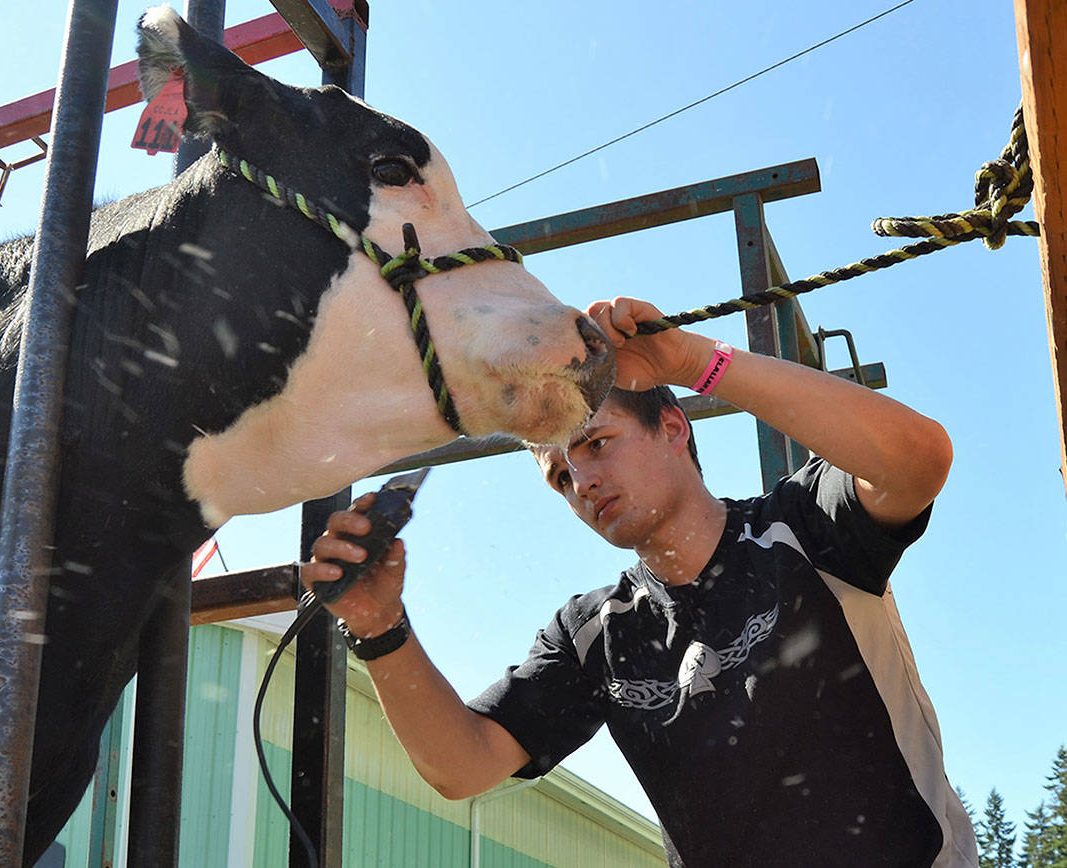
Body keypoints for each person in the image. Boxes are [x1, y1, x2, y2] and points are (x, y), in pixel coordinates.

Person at [302, 296, 977, 867]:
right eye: (562, 476)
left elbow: (919, 458)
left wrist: (694, 361)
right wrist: (378, 628)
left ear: (673, 428)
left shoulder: (800, 526)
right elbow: (462, 765)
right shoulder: (593, 633)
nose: (584, 481)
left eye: (597, 443)